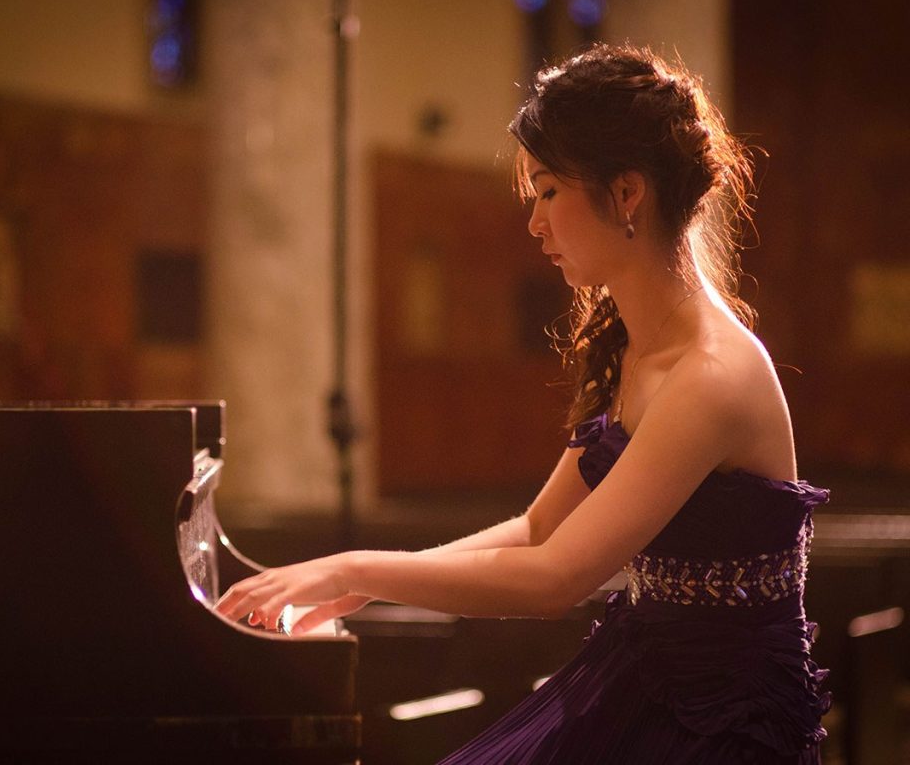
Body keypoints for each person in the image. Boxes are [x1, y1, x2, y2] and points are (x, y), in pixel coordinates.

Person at [216, 43, 831, 764]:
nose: (535, 225)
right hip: (646, 680)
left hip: (721, 727)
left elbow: (554, 579)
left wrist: (355, 569)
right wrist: (367, 582)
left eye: (546, 192)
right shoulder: (633, 347)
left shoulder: (713, 375)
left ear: (627, 193)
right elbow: (539, 529)